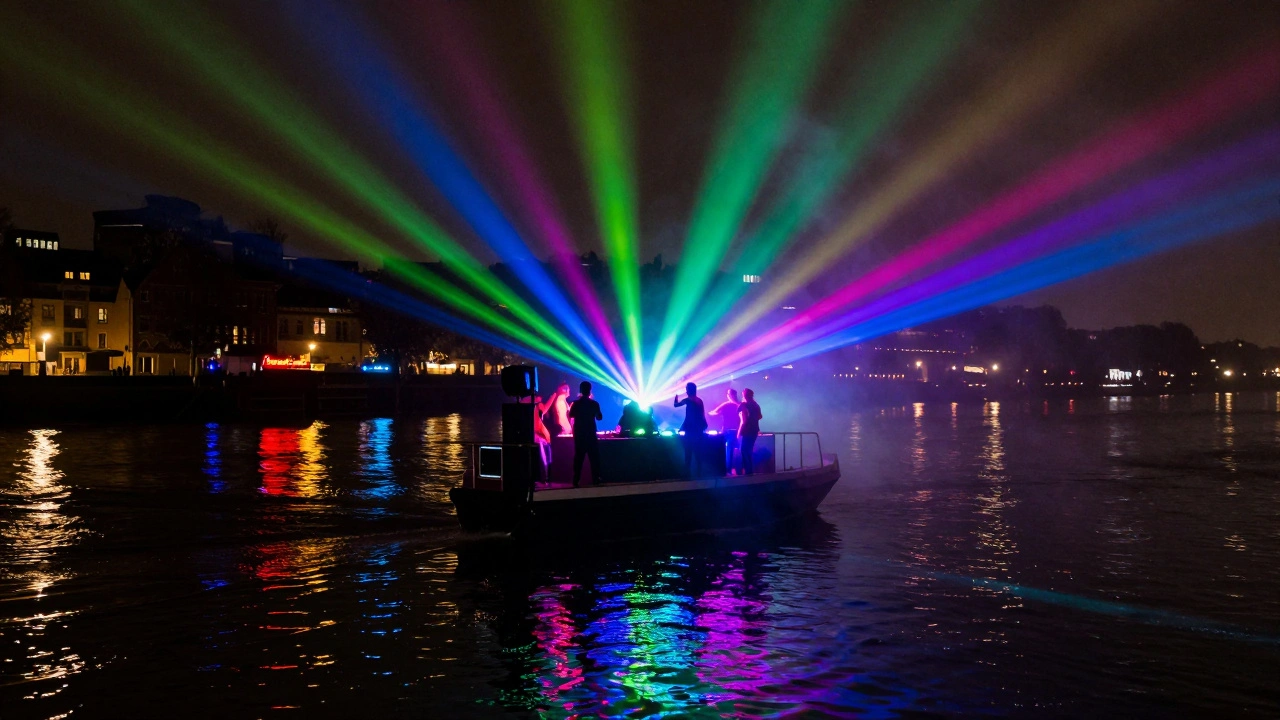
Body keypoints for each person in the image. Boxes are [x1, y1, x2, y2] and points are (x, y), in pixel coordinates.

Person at [568, 380, 603, 487]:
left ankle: (576, 480)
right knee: (594, 458)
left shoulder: (576, 404)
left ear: (581, 391)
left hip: (579, 433)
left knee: (579, 457)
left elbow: (571, 415)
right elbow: (599, 417)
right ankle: (596, 479)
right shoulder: (594, 404)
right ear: (590, 391)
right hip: (591, 433)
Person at [674, 382, 708, 477]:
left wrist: (676, 398)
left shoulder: (688, 400)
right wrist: (704, 424)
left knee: (688, 451)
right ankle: (699, 473)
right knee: (698, 452)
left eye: (687, 389)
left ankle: (687, 474)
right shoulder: (699, 400)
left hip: (690, 429)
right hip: (698, 429)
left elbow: (676, 405)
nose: (686, 390)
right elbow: (702, 414)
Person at [708, 387, 741, 474]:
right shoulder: (738, 404)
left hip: (732, 431)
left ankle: (729, 470)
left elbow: (714, 412)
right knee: (734, 450)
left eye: (729, 394)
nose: (728, 396)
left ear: (732, 395)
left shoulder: (729, 404)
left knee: (730, 450)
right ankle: (735, 470)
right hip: (735, 431)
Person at [738, 388, 763, 475]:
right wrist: (753, 418)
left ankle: (747, 471)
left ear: (744, 395)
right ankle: (749, 471)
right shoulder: (756, 405)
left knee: (744, 450)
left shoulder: (744, 405)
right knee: (749, 450)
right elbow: (760, 416)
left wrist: (738, 433)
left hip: (746, 430)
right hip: (755, 430)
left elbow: (743, 421)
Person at [532, 395, 553, 486]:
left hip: (543, 439)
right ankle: (544, 478)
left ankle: (545, 478)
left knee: (546, 459)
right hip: (540, 439)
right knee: (544, 459)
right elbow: (536, 427)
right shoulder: (537, 408)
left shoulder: (537, 409)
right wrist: (553, 396)